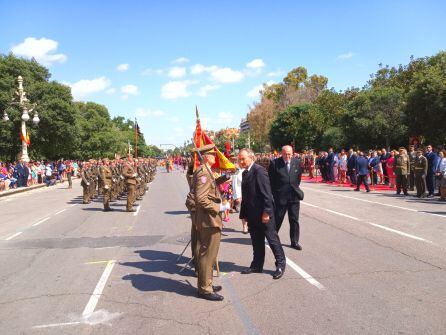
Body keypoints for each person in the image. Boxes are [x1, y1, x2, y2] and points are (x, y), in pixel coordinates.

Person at [238, 148, 286, 280]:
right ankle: (257, 265)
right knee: (256, 241)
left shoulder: (259, 171)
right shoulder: (245, 173)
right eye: (239, 159)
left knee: (272, 240)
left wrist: (267, 213)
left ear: (251, 157)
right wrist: (244, 214)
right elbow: (246, 196)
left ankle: (280, 264)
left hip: (263, 214)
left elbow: (267, 194)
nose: (240, 161)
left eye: (243, 158)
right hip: (252, 214)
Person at [193, 144, 228, 301]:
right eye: (213, 154)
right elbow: (200, 198)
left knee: (209, 254)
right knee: (207, 255)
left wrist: (220, 180)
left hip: (210, 219)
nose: (215, 156)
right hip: (209, 220)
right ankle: (205, 289)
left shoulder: (207, 172)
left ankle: (206, 283)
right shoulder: (204, 173)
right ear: (206, 157)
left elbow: (208, 191)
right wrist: (218, 207)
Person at [268, 145, 303, 250]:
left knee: (294, 220)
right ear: (281, 153)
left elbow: (298, 178)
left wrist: (293, 187)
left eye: (289, 154)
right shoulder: (274, 163)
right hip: (280, 197)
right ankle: (272, 239)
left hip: (294, 197)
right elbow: (271, 181)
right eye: (285, 154)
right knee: (278, 219)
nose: (287, 156)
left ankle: (294, 241)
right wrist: (274, 195)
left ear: (292, 153)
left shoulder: (297, 163)